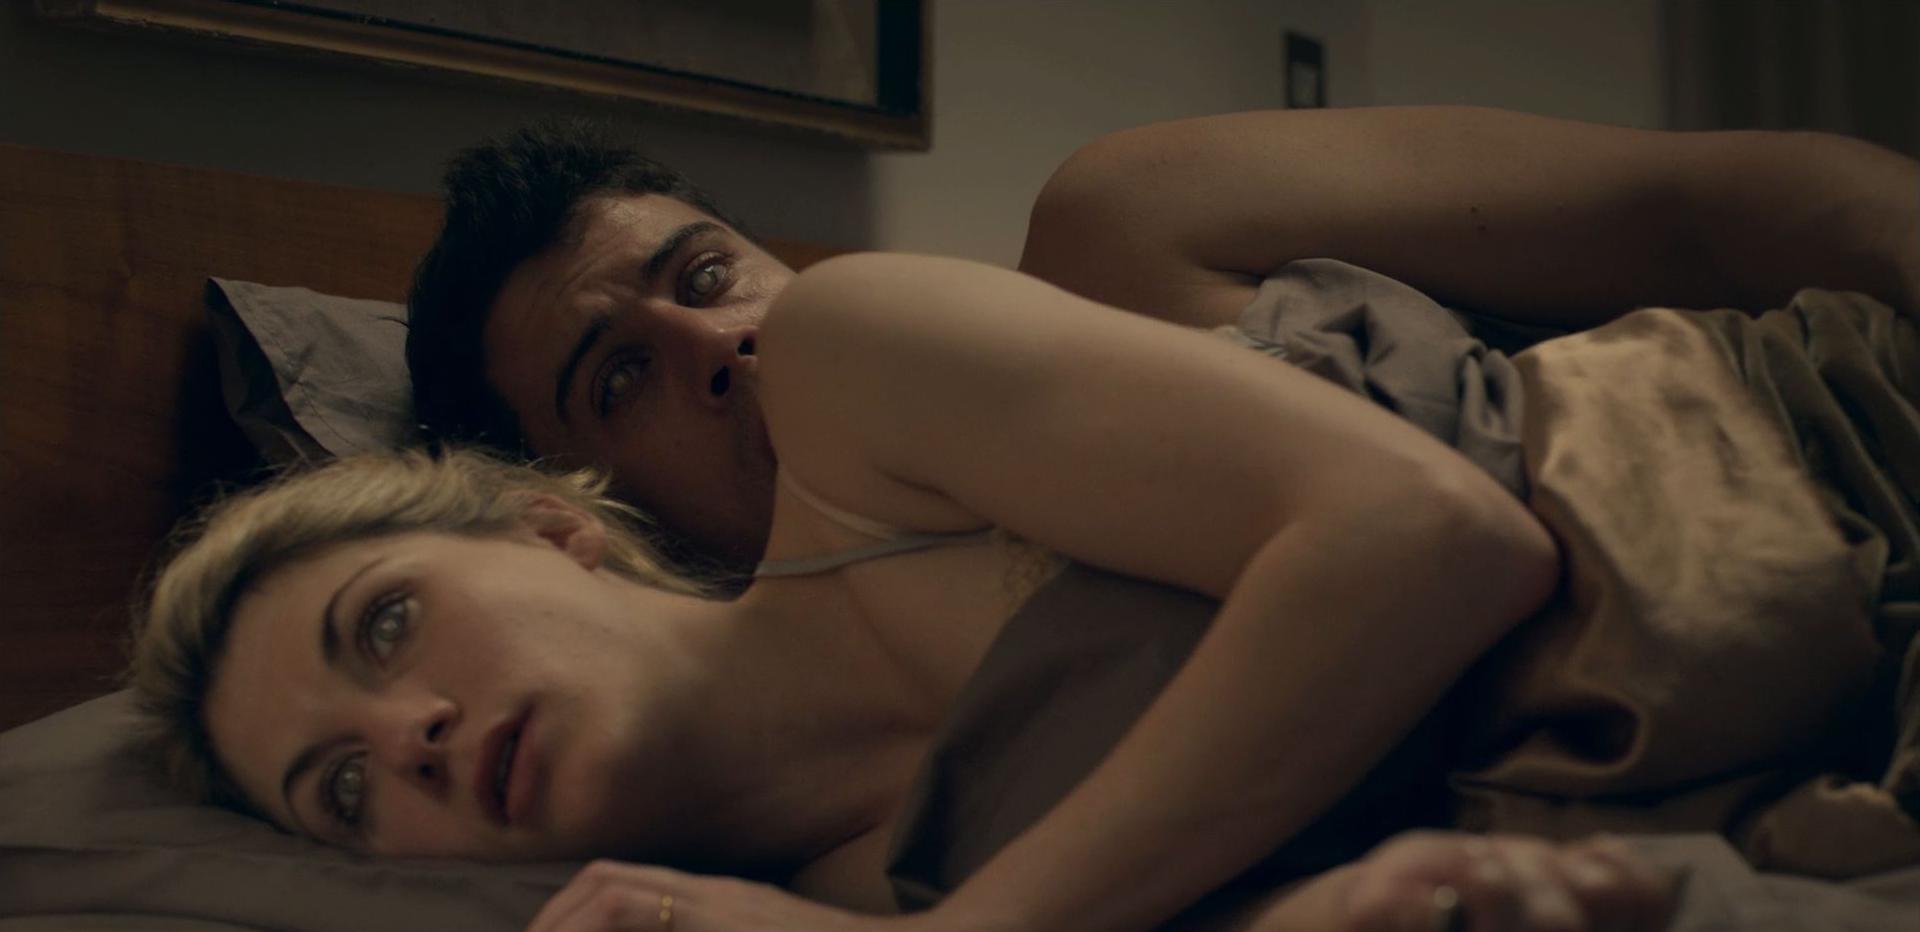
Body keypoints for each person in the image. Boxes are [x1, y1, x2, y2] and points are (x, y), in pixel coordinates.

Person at [136, 248, 1676, 932]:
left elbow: (1433, 532)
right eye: (342, 789)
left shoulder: (845, 383)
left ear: (552, 527)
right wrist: (1424, 930)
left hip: (1740, 477)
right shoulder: (826, 917)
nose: (406, 734)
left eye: (385, 624)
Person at [405, 108, 1920, 573]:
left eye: (710, 272)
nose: (721, 343)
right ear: (594, 514)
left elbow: (1721, 198)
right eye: (620, 377)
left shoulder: (1128, 230)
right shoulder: (864, 742)